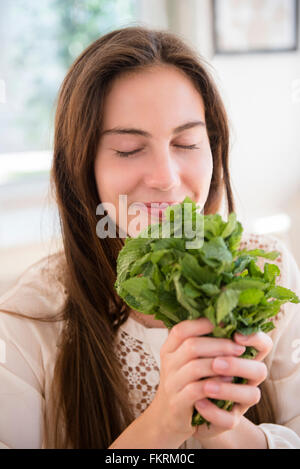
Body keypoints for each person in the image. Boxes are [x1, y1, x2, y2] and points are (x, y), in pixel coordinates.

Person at [0, 25, 300, 449]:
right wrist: (163, 424)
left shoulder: (266, 275)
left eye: (188, 142)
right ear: (82, 168)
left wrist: (225, 425)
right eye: (128, 149)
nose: (166, 178)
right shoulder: (26, 321)